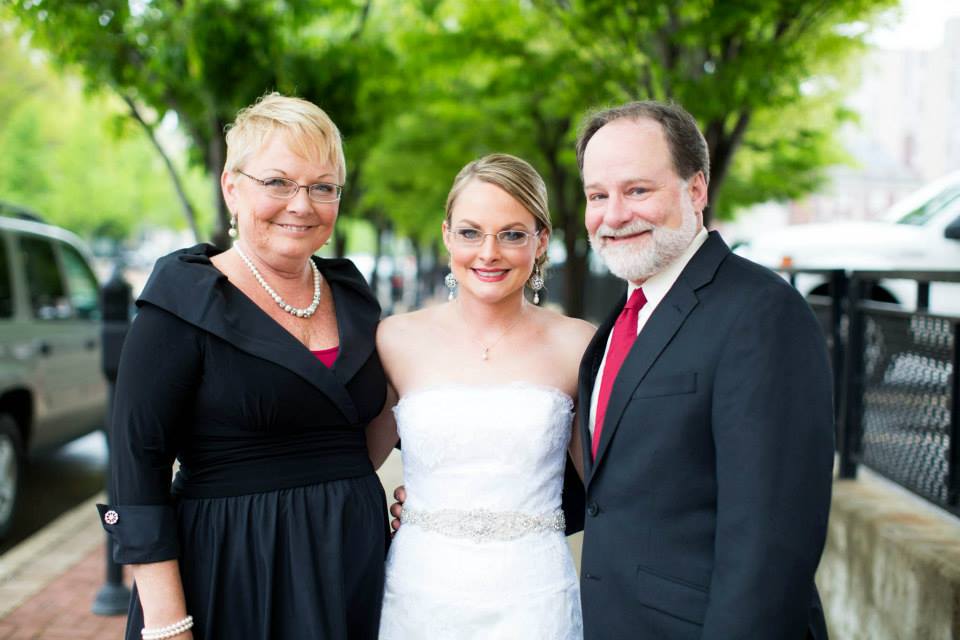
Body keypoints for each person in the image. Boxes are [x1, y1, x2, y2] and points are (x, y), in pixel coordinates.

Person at [97, 93, 389, 640]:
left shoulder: (352, 295)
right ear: (232, 186)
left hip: (348, 563)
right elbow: (138, 466)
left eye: (323, 186)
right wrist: (166, 622)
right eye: (278, 182)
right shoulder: (183, 300)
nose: (301, 204)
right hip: (232, 569)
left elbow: (379, 417)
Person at [573, 101, 835, 639]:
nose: (614, 214)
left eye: (637, 190)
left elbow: (771, 545)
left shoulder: (762, 313)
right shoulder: (615, 329)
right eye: (598, 196)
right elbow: (616, 491)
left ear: (696, 190)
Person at [367, 153, 595, 639]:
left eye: (512, 234)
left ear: (541, 242)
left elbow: (608, 488)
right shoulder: (395, 340)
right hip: (421, 593)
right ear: (448, 235)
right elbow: (347, 469)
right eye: (471, 232)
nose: (488, 252)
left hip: (534, 598)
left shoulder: (578, 344)